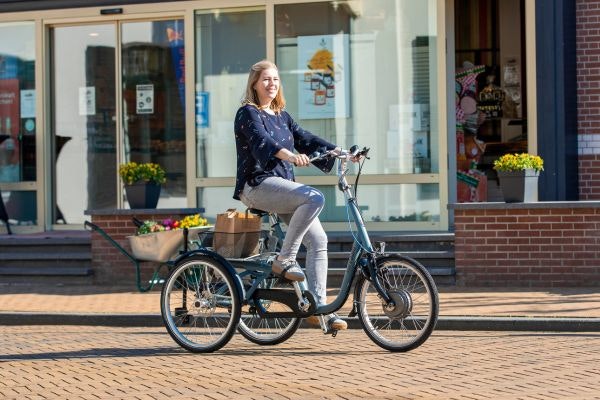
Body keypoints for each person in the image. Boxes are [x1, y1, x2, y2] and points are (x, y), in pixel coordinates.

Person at [233, 59, 351, 331]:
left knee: (319, 240)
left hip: (281, 187)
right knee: (315, 197)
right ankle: (284, 259)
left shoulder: (281, 115)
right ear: (254, 83)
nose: (271, 84)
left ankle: (318, 308)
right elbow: (264, 143)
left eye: (275, 79)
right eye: (265, 79)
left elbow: (305, 137)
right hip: (257, 185)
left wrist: (340, 152)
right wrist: (290, 156)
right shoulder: (248, 113)